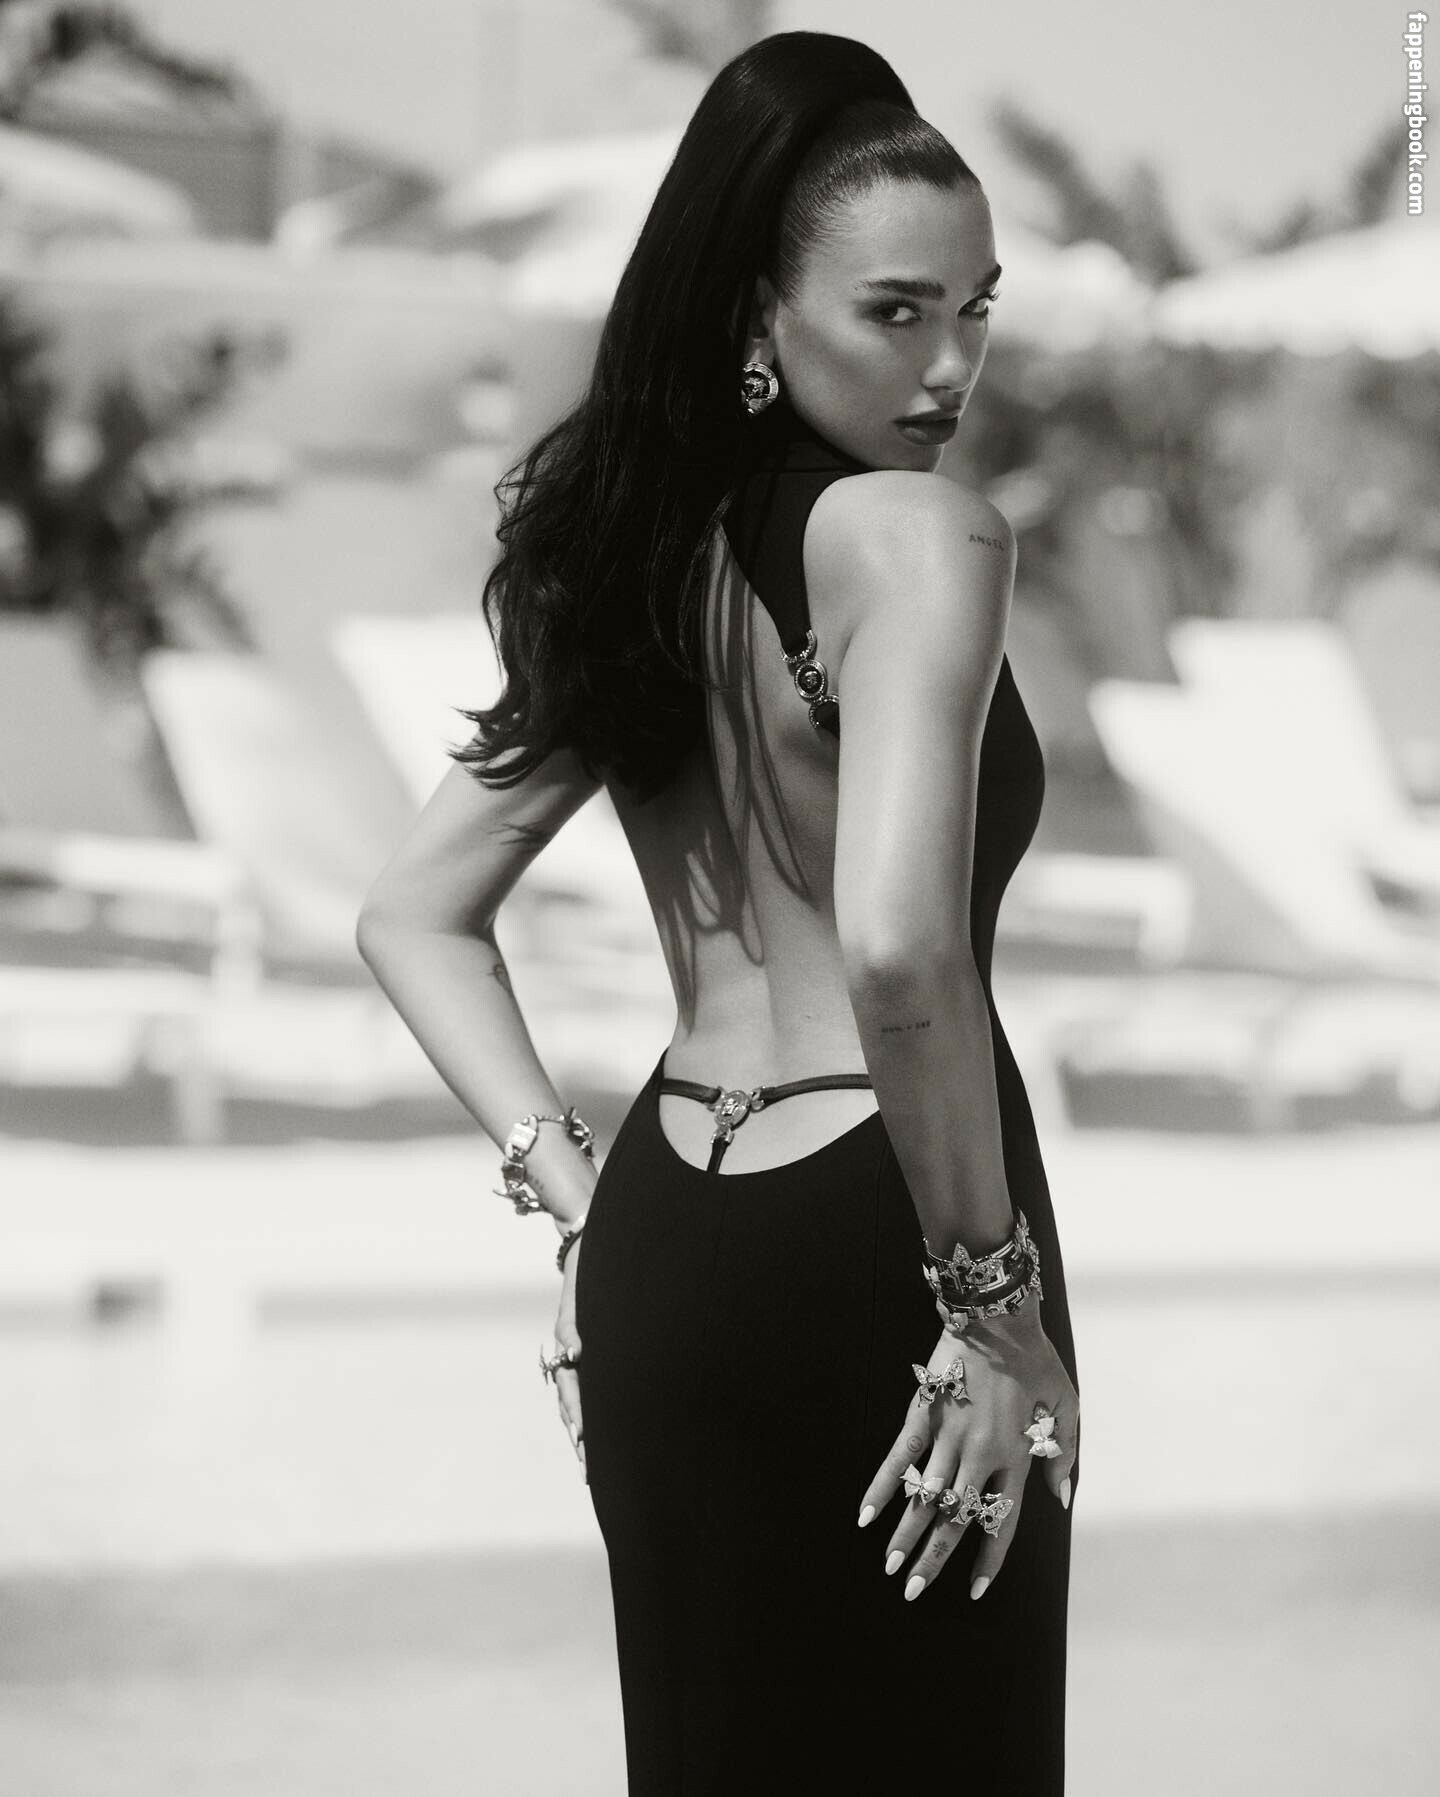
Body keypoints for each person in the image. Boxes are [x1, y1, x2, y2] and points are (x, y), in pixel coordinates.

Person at [357, 29, 1081, 1796]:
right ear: (762, 314)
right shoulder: (918, 538)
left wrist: (579, 1206)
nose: (951, 366)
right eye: (896, 313)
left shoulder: (632, 561)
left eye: (976, 312)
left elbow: (414, 914)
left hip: (667, 1237)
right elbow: (900, 947)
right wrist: (990, 1303)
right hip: (889, 1236)